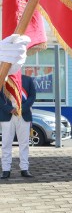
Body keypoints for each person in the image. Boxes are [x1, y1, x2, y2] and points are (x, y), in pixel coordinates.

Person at [0, 34, 33, 179]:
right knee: (6, 144)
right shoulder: (3, 78)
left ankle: (24, 168)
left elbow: (32, 97)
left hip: (23, 115)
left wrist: (21, 108)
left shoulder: (27, 80)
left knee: (24, 144)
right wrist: (10, 109)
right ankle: (5, 169)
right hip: (7, 116)